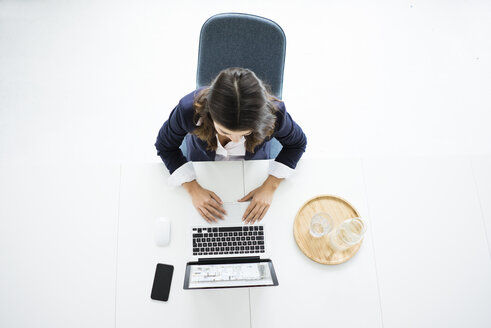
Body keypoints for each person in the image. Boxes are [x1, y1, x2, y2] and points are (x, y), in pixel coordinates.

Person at [155, 67, 306, 224]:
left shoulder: (276, 114)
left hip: (252, 167)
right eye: (224, 131)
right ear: (209, 114)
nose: (235, 140)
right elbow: (165, 146)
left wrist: (270, 186)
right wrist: (192, 188)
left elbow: (297, 144)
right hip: (203, 164)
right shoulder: (188, 110)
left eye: (245, 133)